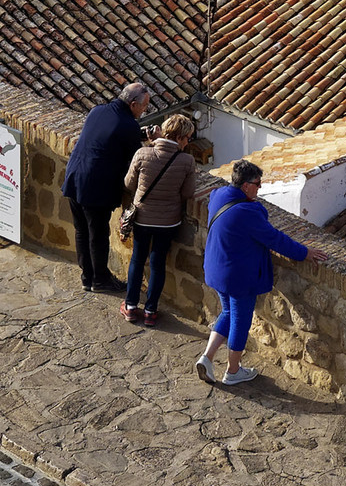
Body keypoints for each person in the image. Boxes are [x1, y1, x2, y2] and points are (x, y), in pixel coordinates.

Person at [196, 157, 309, 390]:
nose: (260, 188)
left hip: (216, 269)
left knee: (227, 312)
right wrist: (305, 253)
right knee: (240, 319)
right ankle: (233, 371)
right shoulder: (248, 212)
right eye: (258, 183)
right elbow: (276, 239)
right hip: (238, 276)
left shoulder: (218, 195)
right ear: (246, 186)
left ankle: (206, 358)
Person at [62, 82, 149, 293]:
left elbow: (109, 135)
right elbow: (136, 160)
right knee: (98, 234)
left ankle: (87, 276)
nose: (145, 110)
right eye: (144, 106)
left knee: (81, 230)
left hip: (75, 178)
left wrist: (139, 134)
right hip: (95, 186)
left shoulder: (97, 110)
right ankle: (100, 279)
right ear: (133, 104)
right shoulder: (129, 126)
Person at [121, 111, 198, 325]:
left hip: (142, 217)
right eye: (187, 138)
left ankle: (130, 306)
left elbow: (129, 184)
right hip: (168, 221)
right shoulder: (186, 161)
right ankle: (151, 311)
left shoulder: (142, 154)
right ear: (180, 138)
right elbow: (188, 193)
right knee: (157, 263)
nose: (188, 142)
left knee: (137, 259)